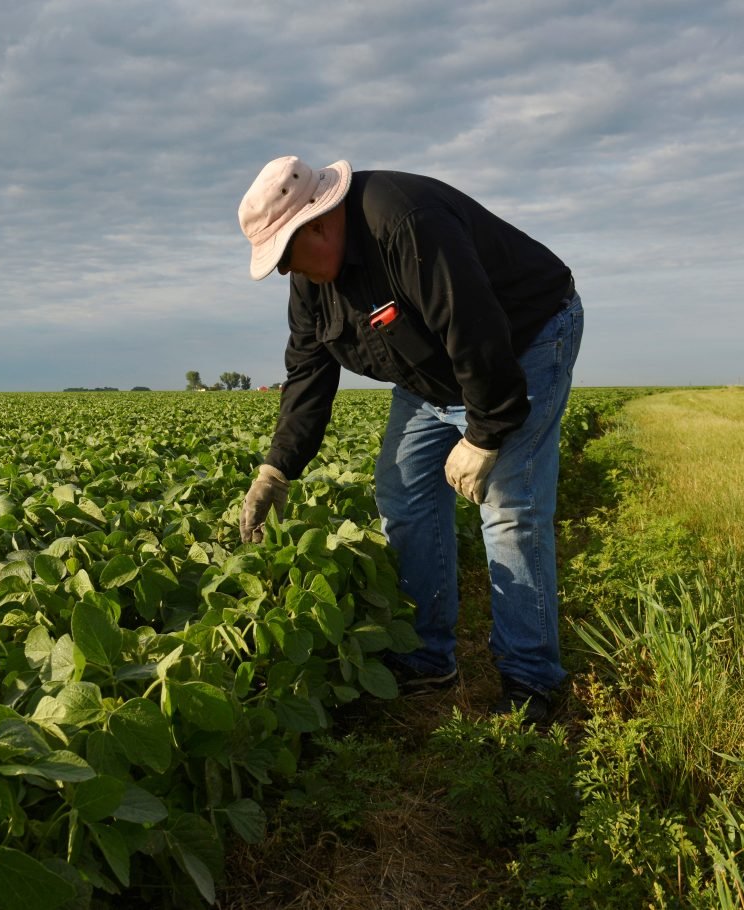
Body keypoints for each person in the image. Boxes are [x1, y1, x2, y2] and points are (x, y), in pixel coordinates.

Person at [236, 156, 583, 724]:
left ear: (317, 223)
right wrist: (277, 469)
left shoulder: (404, 223)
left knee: (509, 510)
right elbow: (308, 371)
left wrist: (486, 431)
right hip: (433, 368)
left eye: (287, 256)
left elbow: (476, 326)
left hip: (523, 341)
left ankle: (530, 682)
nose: (286, 273)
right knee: (404, 493)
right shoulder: (312, 282)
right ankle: (426, 658)